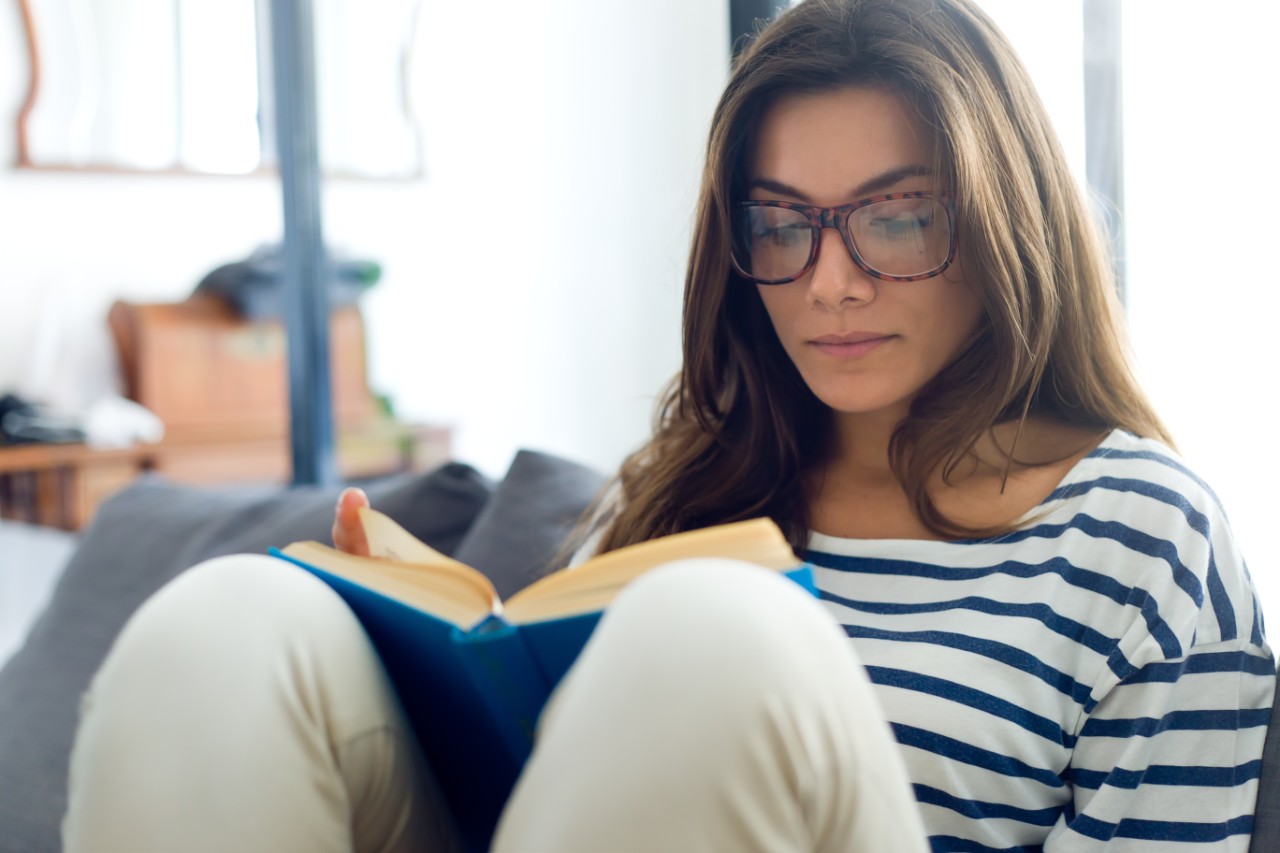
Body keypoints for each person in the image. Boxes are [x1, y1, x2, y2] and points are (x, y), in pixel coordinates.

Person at [64, 0, 1273, 850]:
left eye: (896, 218)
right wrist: (408, 641)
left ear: (1001, 224)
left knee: (712, 634)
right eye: (782, 222)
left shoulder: (1140, 532)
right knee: (232, 627)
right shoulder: (702, 483)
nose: (827, 282)